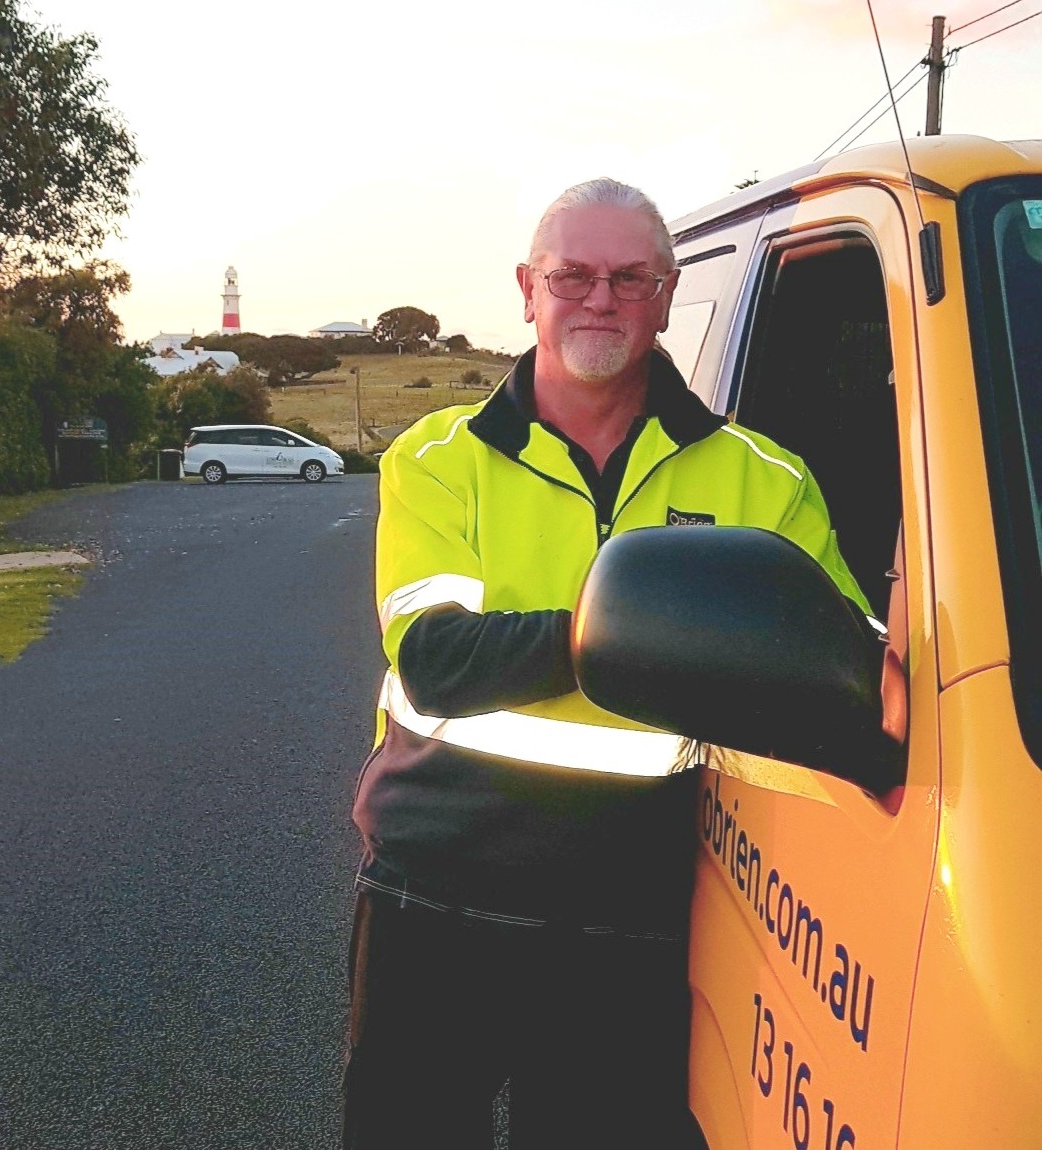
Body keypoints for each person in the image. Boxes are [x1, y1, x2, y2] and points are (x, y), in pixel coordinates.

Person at [344, 178, 873, 1149]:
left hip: (635, 899)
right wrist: (655, 632)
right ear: (526, 289)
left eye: (629, 278)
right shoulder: (437, 458)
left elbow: (841, 668)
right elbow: (437, 659)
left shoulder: (764, 477)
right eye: (572, 275)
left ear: (666, 295)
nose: (600, 299)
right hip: (438, 881)